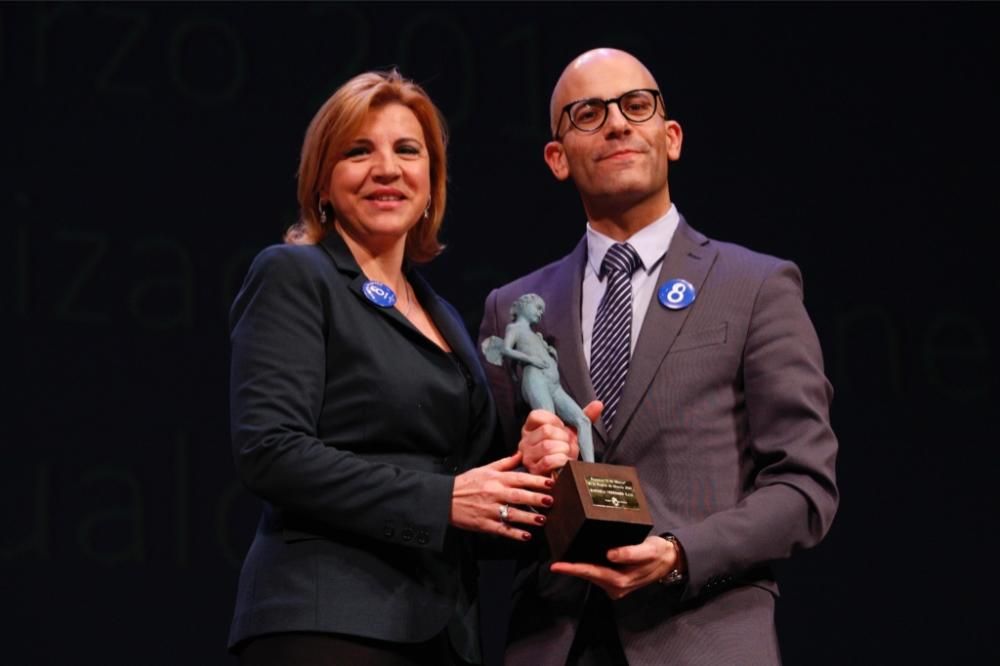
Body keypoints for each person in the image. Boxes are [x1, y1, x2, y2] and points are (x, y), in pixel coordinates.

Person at [478, 48, 839, 665]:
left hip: (701, 637)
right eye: (587, 113)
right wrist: (524, 465)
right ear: (557, 158)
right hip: (555, 641)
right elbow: (485, 500)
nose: (616, 124)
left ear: (670, 137)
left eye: (635, 106)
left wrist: (680, 553)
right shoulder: (512, 306)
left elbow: (804, 487)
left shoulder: (755, 286)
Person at [227, 69, 555, 666]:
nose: (387, 169)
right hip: (329, 624)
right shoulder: (295, 275)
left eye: (408, 150)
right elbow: (270, 450)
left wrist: (524, 459)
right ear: (323, 183)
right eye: (359, 151)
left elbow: (464, 477)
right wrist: (443, 500)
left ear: (431, 185)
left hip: (444, 633)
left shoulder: (444, 315)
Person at [482, 293, 596, 463]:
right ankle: (557, 474)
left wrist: (551, 354)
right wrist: (530, 359)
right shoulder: (514, 328)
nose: (541, 313)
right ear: (524, 305)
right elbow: (506, 350)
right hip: (536, 378)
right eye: (538, 308)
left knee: (583, 420)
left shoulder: (536, 335)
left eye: (542, 310)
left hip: (554, 383)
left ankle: (591, 472)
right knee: (550, 425)